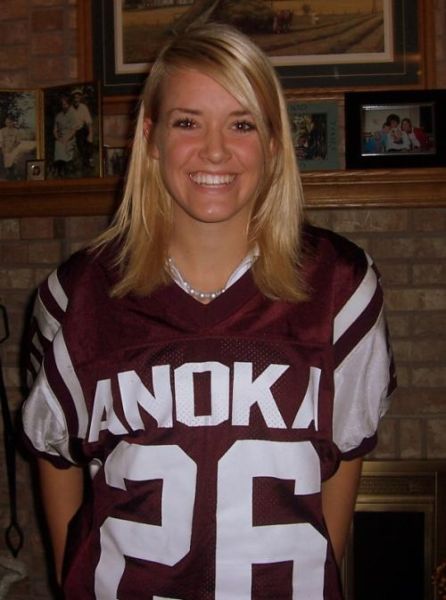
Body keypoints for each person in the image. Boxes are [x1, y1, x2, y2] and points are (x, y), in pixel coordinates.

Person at [21, 23, 395, 599]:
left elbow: (341, 460)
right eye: (188, 122)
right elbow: (57, 455)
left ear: (273, 142)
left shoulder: (341, 287)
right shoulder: (80, 295)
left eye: (241, 124)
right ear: (150, 137)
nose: (215, 150)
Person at [69, 88, 94, 172]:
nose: (76, 99)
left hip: (82, 130)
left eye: (78, 97)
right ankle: (77, 165)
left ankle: (88, 163)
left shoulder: (83, 107)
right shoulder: (70, 109)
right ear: (72, 98)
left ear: (80, 98)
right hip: (72, 131)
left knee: (87, 145)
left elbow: (89, 122)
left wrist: (90, 134)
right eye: (75, 97)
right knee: (78, 148)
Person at [53, 94, 77, 177]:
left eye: (65, 104)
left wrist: (66, 139)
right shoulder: (58, 116)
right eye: (62, 104)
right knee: (58, 144)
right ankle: (60, 168)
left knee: (65, 146)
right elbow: (55, 129)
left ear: (68, 104)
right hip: (61, 137)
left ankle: (67, 167)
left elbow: (73, 130)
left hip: (70, 137)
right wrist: (57, 137)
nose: (64, 106)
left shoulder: (73, 114)